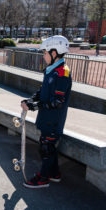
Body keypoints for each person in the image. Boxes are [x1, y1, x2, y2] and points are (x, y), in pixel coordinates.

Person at [21, 35, 72, 188]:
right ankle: (54, 173)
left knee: (46, 147)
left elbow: (57, 101)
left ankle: (43, 178)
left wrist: (34, 107)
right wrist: (31, 100)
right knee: (47, 146)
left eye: (45, 53)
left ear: (54, 53)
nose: (43, 56)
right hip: (46, 117)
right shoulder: (52, 70)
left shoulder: (63, 73)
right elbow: (43, 90)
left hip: (54, 119)